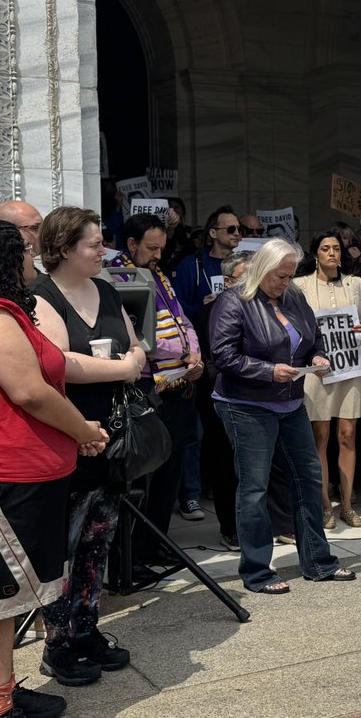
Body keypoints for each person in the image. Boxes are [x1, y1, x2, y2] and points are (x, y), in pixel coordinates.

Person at [0, 220, 108, 718]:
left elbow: (45, 378)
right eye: (28, 254)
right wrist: (82, 430)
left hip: (26, 473)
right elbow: (29, 392)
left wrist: (77, 429)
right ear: (9, 260)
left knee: (15, 596)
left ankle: (4, 690)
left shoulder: (4, 309)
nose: (34, 262)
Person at [31, 207, 149, 685]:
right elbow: (61, 364)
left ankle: (87, 628)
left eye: (103, 243)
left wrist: (135, 357)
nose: (104, 251)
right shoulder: (42, 297)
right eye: (94, 245)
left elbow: (137, 342)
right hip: (72, 435)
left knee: (99, 537)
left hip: (113, 435)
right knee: (66, 542)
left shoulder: (105, 288)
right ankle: (57, 642)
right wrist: (125, 366)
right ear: (63, 249)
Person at [209, 240, 356, 593]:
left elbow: (313, 339)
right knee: (255, 488)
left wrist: (319, 358)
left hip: (290, 401)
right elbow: (222, 355)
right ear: (261, 268)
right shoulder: (234, 300)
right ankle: (258, 571)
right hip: (244, 404)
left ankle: (318, 562)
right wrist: (267, 371)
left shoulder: (292, 297)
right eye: (280, 276)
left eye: (290, 276)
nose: (285, 282)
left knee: (308, 478)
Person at [105, 212, 204, 574]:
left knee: (170, 471)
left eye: (161, 247)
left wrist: (195, 351)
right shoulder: (119, 274)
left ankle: (157, 544)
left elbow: (182, 319)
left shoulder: (158, 272)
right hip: (151, 386)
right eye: (151, 247)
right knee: (144, 475)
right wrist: (180, 353)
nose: (159, 254)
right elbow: (138, 335)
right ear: (131, 244)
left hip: (180, 381)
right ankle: (131, 555)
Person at [293, 232, 361, 529]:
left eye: (336, 248)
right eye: (325, 248)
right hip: (319, 369)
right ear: (315, 254)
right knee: (320, 437)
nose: (332, 253)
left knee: (348, 435)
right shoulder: (300, 285)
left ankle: (348, 505)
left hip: (349, 366)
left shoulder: (354, 283)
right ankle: (325, 505)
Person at [171, 206, 242, 521]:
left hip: (233, 362)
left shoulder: (244, 264)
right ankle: (190, 495)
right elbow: (179, 308)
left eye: (239, 229)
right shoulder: (193, 265)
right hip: (202, 358)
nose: (237, 235)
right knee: (197, 433)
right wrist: (203, 306)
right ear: (213, 233)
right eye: (230, 229)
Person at [195, 250, 252, 550]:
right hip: (222, 394)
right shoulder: (211, 310)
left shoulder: (264, 306)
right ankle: (230, 526)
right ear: (228, 281)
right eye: (245, 278)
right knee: (225, 461)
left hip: (258, 395)